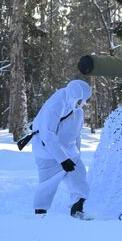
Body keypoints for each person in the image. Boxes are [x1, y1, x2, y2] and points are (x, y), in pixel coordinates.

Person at [31, 80, 92, 218]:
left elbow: (77, 134)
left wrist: (77, 153)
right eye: (81, 100)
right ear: (74, 96)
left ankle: (77, 208)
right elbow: (47, 135)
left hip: (69, 152)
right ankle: (40, 214)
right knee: (47, 184)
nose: (83, 103)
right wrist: (62, 159)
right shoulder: (55, 105)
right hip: (47, 153)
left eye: (84, 101)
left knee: (79, 176)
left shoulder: (77, 111)